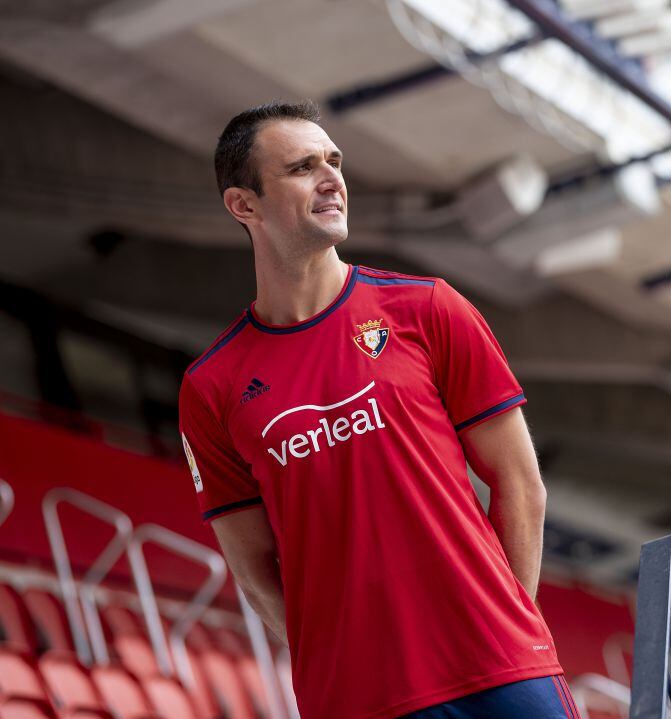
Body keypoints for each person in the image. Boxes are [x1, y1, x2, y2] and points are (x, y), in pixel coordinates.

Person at [178, 101, 579, 718]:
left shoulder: (429, 310)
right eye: (302, 167)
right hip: (354, 700)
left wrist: (507, 625)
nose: (331, 178)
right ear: (244, 205)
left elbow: (520, 483)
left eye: (333, 162)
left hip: (502, 675)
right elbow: (252, 565)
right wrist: (338, 652)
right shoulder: (212, 386)